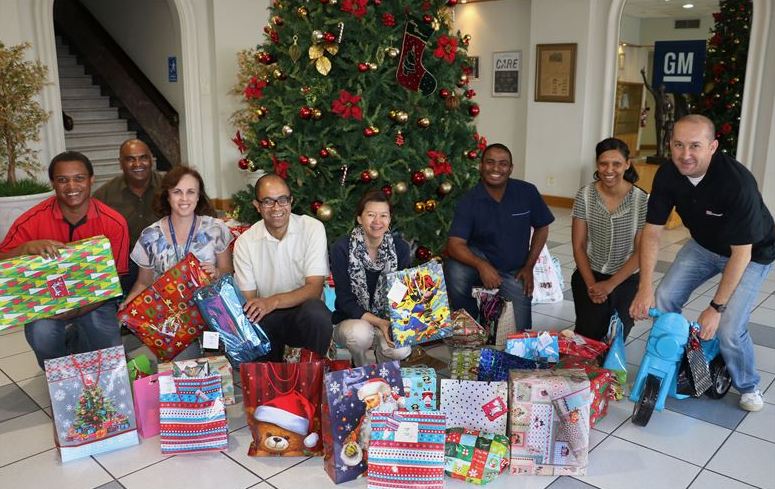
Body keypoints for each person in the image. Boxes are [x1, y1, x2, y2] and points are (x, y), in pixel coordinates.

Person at [630, 114, 775, 412]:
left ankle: (748, 384)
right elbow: (652, 234)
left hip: (752, 252)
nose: (685, 155)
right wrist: (644, 288)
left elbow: (741, 254)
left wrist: (715, 308)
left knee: (730, 328)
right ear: (670, 145)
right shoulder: (668, 174)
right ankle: (677, 356)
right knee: (664, 297)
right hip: (703, 246)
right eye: (679, 145)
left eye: (695, 146)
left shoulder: (736, 183)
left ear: (713, 146)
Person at [0, 151, 129, 368]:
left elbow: (113, 281)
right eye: (62, 180)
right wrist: (24, 248)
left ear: (91, 179)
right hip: (45, 301)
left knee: (106, 343)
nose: (71, 187)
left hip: (95, 300)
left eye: (79, 178)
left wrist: (76, 310)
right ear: (53, 183)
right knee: (42, 334)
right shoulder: (31, 221)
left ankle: (80, 347)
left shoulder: (114, 223)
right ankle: (61, 377)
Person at [444, 143, 555, 331]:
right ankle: (472, 322)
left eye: (503, 164)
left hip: (514, 269)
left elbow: (542, 227)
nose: (496, 168)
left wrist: (529, 266)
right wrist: (482, 265)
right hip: (479, 263)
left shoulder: (527, 192)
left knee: (520, 335)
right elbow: (454, 244)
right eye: (490, 162)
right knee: (454, 268)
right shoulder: (469, 200)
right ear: (481, 166)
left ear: (511, 168)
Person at [233, 174, 333, 362]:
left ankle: (311, 376)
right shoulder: (245, 243)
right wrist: (268, 305)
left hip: (304, 312)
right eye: (268, 201)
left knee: (317, 313)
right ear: (257, 206)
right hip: (268, 316)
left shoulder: (312, 228)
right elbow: (249, 299)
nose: (277, 208)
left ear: (291, 201)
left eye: (282, 200)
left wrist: (273, 301)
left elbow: (314, 289)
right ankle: (270, 381)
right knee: (253, 321)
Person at [120, 165, 233, 307]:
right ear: (167, 196)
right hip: (166, 314)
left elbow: (228, 272)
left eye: (191, 192)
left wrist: (216, 272)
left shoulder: (216, 229)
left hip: (209, 311)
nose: (184, 198)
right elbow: (144, 282)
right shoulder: (150, 236)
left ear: (198, 196)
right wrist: (128, 306)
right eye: (177, 192)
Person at [571, 138, 648, 341]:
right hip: (590, 275)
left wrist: (610, 284)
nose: (609, 170)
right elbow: (578, 246)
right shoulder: (585, 195)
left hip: (625, 279)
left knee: (615, 339)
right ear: (597, 164)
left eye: (616, 164)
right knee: (588, 340)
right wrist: (592, 285)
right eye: (604, 163)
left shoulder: (641, 200)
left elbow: (642, 251)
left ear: (627, 164)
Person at [330, 190, 412, 366]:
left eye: (383, 215)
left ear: (390, 220)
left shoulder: (401, 249)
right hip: (351, 320)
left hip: (388, 317)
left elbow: (402, 294)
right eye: (371, 215)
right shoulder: (342, 248)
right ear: (359, 218)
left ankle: (385, 372)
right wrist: (378, 322)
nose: (377, 221)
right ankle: (360, 371)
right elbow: (345, 300)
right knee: (359, 335)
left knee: (401, 349)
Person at [93, 139, 163, 292]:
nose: (137, 164)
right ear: (120, 163)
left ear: (151, 159)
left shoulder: (169, 186)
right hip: (125, 266)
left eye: (143, 157)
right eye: (130, 159)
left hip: (166, 261)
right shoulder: (104, 196)